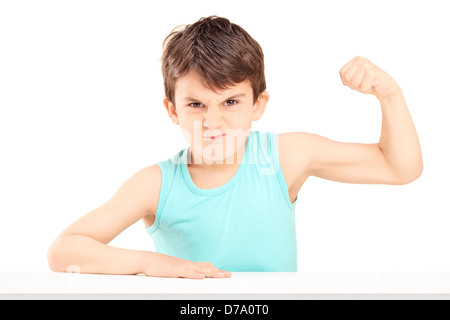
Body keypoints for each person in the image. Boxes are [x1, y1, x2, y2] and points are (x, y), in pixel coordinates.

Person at [47, 16, 423, 279]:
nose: (213, 122)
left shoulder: (284, 158)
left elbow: (399, 167)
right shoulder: (156, 184)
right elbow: (64, 250)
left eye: (230, 102)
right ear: (172, 109)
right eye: (196, 105)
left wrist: (389, 94)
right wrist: (149, 263)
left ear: (258, 105)